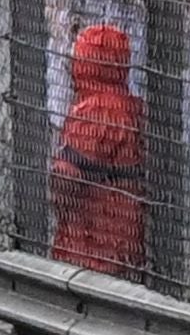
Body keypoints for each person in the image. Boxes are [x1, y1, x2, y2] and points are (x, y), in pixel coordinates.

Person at [51, 21, 146, 276]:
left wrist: (51, 196)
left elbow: (66, 175)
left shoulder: (95, 110)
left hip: (88, 244)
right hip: (126, 241)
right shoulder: (133, 108)